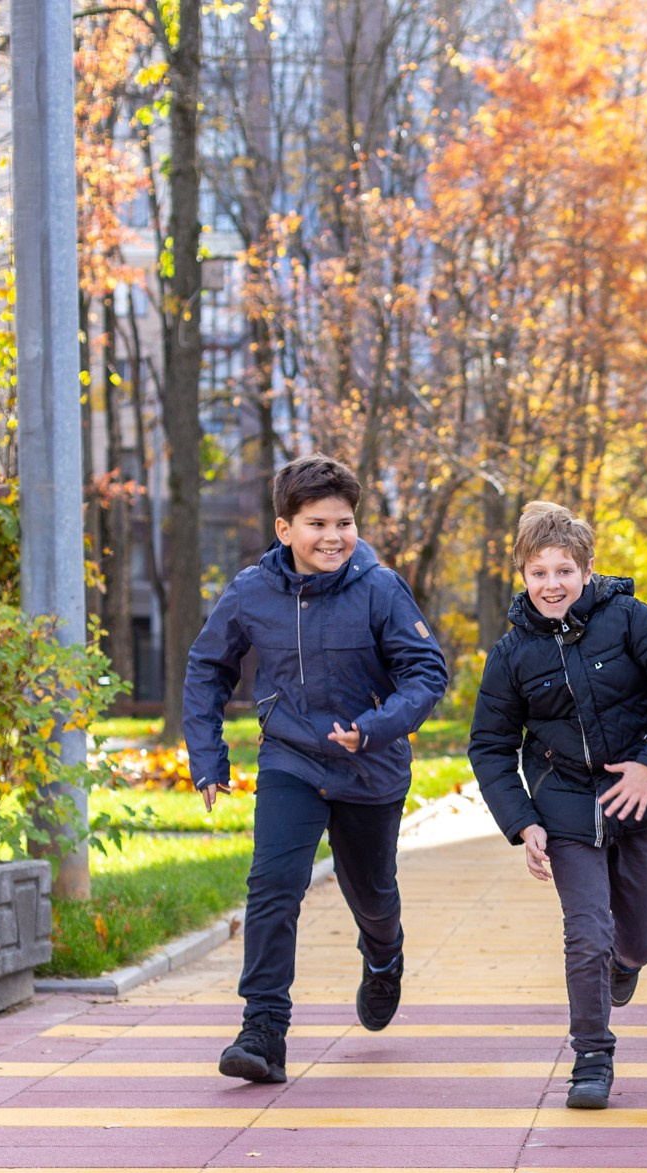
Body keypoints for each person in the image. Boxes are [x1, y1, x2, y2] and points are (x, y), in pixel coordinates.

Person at [185, 454, 449, 1084]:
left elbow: (426, 672)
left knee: (373, 897)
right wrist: (208, 758)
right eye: (317, 524)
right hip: (292, 758)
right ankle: (263, 1029)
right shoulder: (251, 591)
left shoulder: (380, 588)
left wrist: (375, 727)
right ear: (284, 529)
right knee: (273, 884)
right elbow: (207, 668)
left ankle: (383, 956)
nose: (333, 537)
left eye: (344, 523)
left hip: (370, 766)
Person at [468, 501, 647, 1109]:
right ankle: (592, 1059)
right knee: (587, 934)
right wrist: (522, 822)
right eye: (539, 573)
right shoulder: (511, 654)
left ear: (587, 569)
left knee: (639, 944)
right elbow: (490, 745)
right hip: (565, 809)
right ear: (523, 575)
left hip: (637, 803)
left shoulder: (629, 618)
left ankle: (624, 966)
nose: (552, 585)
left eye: (564, 571)